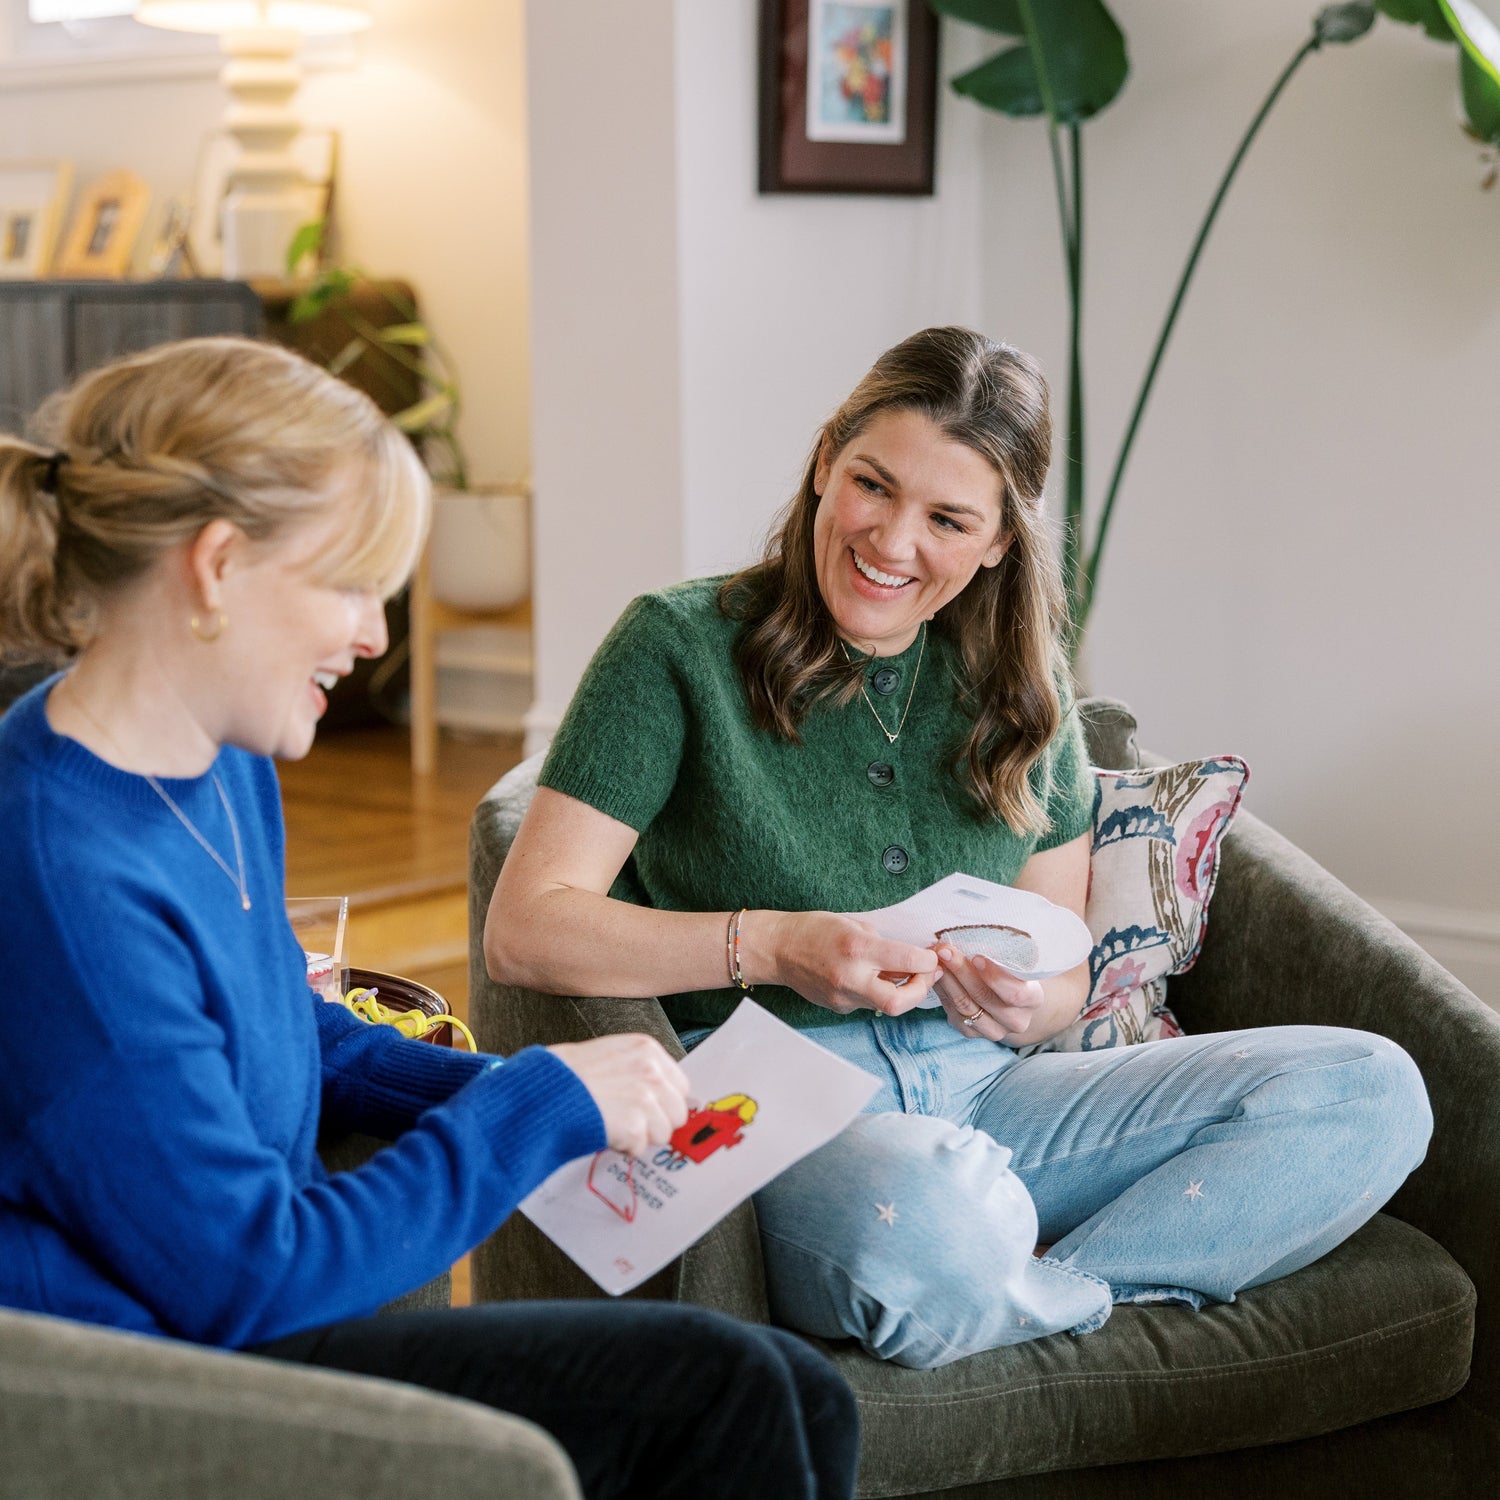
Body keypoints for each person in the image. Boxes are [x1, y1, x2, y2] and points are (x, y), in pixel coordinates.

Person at [0, 336, 860, 1500]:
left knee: (801, 1389)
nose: (373, 637)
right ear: (216, 567)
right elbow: (248, 1279)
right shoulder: (64, 873)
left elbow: (287, 1026)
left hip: (235, 1309)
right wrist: (527, 1112)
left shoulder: (213, 763)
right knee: (726, 1395)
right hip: (152, 1373)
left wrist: (528, 1088)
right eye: (350, 586)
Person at [487, 325, 1434, 1370]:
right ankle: (1008, 1267)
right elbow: (527, 929)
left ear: (996, 542)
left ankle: (1041, 1295)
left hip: (994, 1095)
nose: (892, 541)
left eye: (946, 518)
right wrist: (773, 946)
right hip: (778, 1108)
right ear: (823, 464)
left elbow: (1064, 954)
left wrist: (1036, 1003)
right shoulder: (675, 648)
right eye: (872, 486)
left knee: (1372, 1088)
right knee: (930, 1216)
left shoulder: (1022, 686)